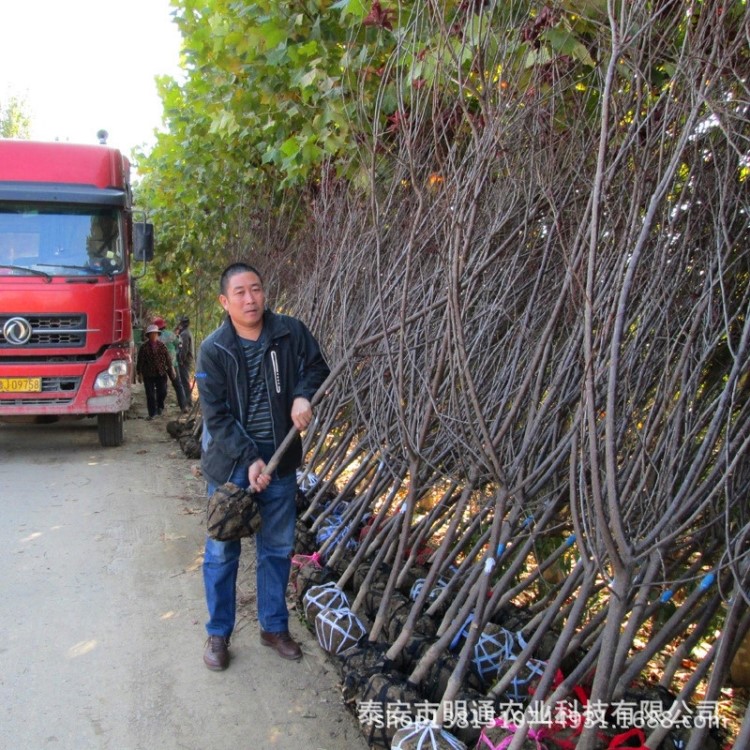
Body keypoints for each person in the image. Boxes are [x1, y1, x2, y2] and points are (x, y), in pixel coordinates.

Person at [197, 262, 330, 670]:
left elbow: (317, 367)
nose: (250, 298)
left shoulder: (290, 333)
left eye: (255, 289)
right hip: (231, 465)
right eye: (239, 292)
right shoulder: (213, 349)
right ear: (225, 301)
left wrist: (303, 396)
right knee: (222, 552)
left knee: (276, 548)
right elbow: (215, 416)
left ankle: (273, 626)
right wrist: (250, 458)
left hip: (282, 459)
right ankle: (218, 634)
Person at [136, 324, 175, 420]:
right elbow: (140, 361)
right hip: (148, 374)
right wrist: (139, 374)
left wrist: (172, 371)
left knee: (163, 391)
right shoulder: (144, 348)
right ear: (149, 335)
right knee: (150, 394)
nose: (154, 335)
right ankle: (152, 413)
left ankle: (160, 406)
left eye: (155, 334)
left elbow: (168, 360)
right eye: (152, 334)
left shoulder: (162, 346)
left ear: (157, 335)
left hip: (161, 373)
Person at [153, 316, 188, 413]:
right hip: (173, 363)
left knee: (161, 386)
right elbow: (179, 343)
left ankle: (159, 408)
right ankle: (183, 406)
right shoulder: (170, 334)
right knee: (178, 385)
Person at [176, 315, 195, 406]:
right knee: (184, 380)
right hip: (187, 359)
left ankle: (188, 401)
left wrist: (181, 359)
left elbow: (184, 349)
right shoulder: (186, 332)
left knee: (184, 381)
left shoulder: (184, 334)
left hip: (185, 360)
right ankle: (187, 400)